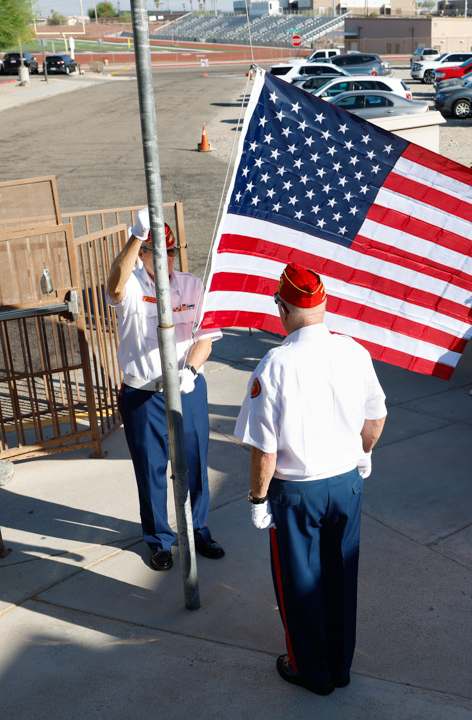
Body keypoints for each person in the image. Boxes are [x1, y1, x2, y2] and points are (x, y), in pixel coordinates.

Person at [235, 264, 387, 696]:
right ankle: (339, 666)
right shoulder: (354, 350)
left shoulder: (276, 363)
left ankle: (311, 671)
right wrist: (363, 453)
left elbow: (264, 448)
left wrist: (257, 499)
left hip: (296, 492)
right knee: (341, 575)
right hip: (346, 483)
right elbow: (376, 417)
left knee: (300, 585)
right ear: (323, 306)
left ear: (282, 309)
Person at [105, 208, 224, 571]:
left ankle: (198, 529)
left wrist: (191, 369)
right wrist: (136, 235)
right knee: (152, 469)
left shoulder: (191, 285)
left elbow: (205, 338)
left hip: (186, 387)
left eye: (170, 252)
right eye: (156, 251)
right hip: (144, 393)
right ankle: (159, 540)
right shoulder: (132, 285)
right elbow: (113, 284)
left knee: (195, 464)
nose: (165, 259)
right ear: (142, 254)